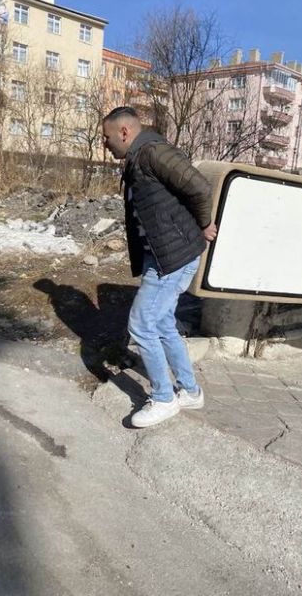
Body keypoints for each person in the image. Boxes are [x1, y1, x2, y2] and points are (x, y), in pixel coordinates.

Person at [102, 106, 217, 428]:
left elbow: (199, 187)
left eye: (106, 137)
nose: (105, 143)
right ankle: (190, 391)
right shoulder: (139, 156)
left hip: (172, 257)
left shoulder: (153, 152)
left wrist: (204, 224)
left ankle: (164, 398)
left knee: (141, 324)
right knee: (163, 322)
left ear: (124, 132)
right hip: (166, 255)